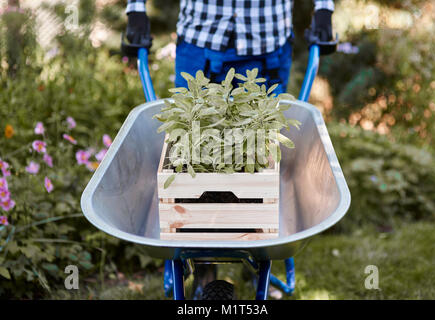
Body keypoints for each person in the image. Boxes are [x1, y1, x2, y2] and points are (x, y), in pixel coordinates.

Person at [125, 0, 335, 299]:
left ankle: (256, 263)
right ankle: (203, 269)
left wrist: (324, 8)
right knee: (191, 159)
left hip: (266, 39)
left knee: (259, 157)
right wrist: (135, 9)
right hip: (202, 37)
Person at [125, 0, 334, 94]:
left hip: (268, 46)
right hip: (199, 44)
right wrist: (136, 9)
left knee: (263, 146)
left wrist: (324, 7)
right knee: (191, 142)